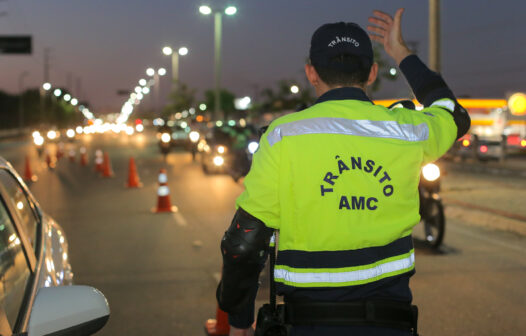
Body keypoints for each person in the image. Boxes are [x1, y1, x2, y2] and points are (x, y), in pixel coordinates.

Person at [216, 8, 470, 336]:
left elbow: (245, 242)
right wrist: (402, 53)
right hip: (391, 323)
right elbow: (453, 113)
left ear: (311, 72)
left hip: (307, 323)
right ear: (373, 72)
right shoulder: (408, 130)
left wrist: (239, 320)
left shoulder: (283, 136)